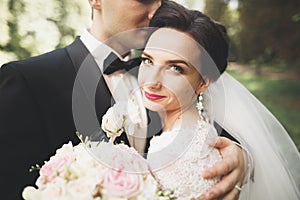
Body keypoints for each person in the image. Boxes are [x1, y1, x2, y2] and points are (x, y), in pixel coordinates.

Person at [0, 0, 245, 199]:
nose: (156, 11)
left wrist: (242, 156)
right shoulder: (28, 79)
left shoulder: (167, 69)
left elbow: (210, 131)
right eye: (144, 0)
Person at [137, 1, 300, 199]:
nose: (152, 81)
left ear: (203, 83)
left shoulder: (176, 152)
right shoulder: (198, 129)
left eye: (175, 68)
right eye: (148, 61)